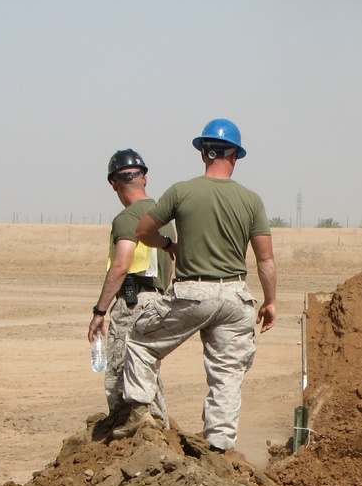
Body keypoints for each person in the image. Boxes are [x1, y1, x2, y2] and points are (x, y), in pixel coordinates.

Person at [113, 119, 277, 453]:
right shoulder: (252, 200)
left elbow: (143, 231)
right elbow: (265, 260)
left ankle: (142, 414)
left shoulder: (180, 191)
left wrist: (168, 245)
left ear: (204, 153)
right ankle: (219, 444)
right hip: (235, 296)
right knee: (227, 373)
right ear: (235, 156)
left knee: (140, 340)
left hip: (192, 292)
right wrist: (270, 302)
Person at [88, 149, 176, 436]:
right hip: (159, 302)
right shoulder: (165, 219)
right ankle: (158, 435)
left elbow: (121, 265)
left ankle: (130, 443)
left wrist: (100, 311)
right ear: (145, 179)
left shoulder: (128, 218)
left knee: (121, 375)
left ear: (113, 184)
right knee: (147, 370)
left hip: (132, 302)